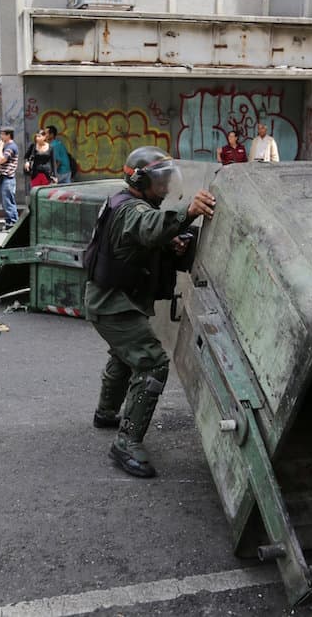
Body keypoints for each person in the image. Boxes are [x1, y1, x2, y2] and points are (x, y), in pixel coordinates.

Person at [85, 146, 216, 478]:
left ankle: (106, 412)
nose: (165, 186)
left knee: (125, 354)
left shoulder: (122, 201)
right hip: (114, 305)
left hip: (110, 300)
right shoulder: (134, 210)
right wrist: (188, 213)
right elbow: (148, 225)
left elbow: (140, 237)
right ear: (140, 181)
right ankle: (126, 442)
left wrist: (169, 242)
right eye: (160, 182)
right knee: (152, 362)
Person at [0, 127, 20, 230]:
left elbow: (1, 160)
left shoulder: (11, 147)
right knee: (5, 202)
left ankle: (14, 223)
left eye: (2, 134)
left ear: (8, 135)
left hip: (8, 178)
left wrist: (0, 148)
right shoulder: (7, 146)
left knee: (8, 201)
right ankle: (8, 223)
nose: (1, 137)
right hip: (3, 177)